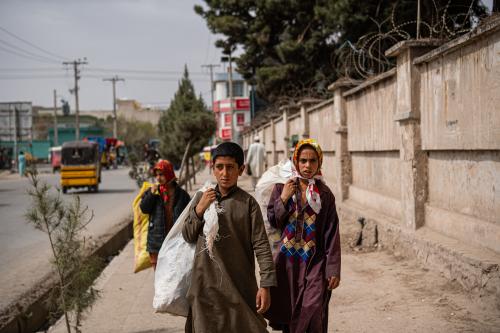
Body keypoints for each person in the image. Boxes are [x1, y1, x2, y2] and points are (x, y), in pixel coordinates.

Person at [182, 142, 277, 333]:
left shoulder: (248, 204)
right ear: (213, 169)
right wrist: (200, 210)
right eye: (219, 167)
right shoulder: (202, 198)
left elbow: (261, 245)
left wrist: (266, 284)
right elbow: (188, 234)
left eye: (230, 167)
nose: (225, 173)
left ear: (241, 170)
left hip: (238, 286)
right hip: (205, 288)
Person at [265, 139, 341, 333]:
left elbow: (331, 232)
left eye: (313, 161)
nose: (308, 166)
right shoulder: (283, 188)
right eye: (303, 161)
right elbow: (274, 221)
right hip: (287, 263)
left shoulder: (324, 194)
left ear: (319, 163)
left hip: (315, 262)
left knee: (313, 308)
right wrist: (283, 198)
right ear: (296, 161)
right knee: (289, 311)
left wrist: (333, 268)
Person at [140, 159, 190, 270]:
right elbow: (144, 209)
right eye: (156, 175)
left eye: (161, 174)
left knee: (174, 275)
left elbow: (189, 216)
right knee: (159, 278)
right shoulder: (153, 192)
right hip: (156, 243)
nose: (158, 178)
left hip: (175, 242)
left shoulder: (182, 195)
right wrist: (151, 195)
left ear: (169, 173)